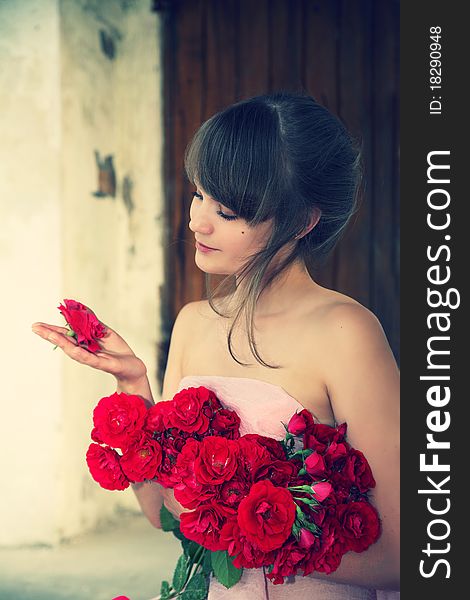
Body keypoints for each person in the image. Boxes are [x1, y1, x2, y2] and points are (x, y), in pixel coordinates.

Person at [32, 92, 399, 598]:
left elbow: (404, 555)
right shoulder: (193, 323)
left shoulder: (347, 332)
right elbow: (164, 516)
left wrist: (245, 531)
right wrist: (132, 383)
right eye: (198, 194)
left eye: (225, 211)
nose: (197, 222)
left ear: (302, 222)